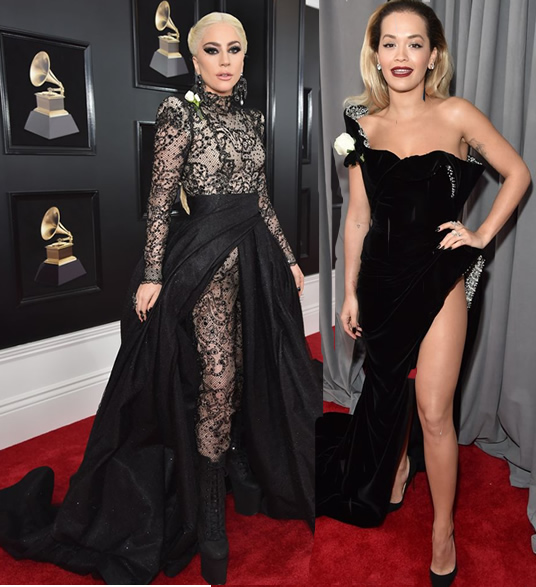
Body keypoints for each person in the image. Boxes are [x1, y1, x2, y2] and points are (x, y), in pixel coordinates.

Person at [0, 12, 318, 586]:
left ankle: (236, 461)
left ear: (245, 57)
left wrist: (290, 258)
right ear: (194, 59)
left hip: (255, 257)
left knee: (248, 364)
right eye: (212, 50)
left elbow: (262, 198)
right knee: (216, 375)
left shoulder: (253, 118)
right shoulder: (179, 113)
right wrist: (151, 273)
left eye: (235, 49)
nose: (225, 60)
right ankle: (210, 504)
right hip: (203, 258)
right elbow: (161, 196)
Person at [315, 1, 530, 586]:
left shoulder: (456, 112)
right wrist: (349, 292)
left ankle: (442, 531)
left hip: (438, 277)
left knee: (435, 410)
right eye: (390, 43)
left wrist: (480, 235)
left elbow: (517, 173)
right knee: (387, 390)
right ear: (375, 54)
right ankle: (398, 466)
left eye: (415, 43)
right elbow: (358, 217)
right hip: (379, 279)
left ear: (433, 55)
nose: (402, 55)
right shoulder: (362, 126)